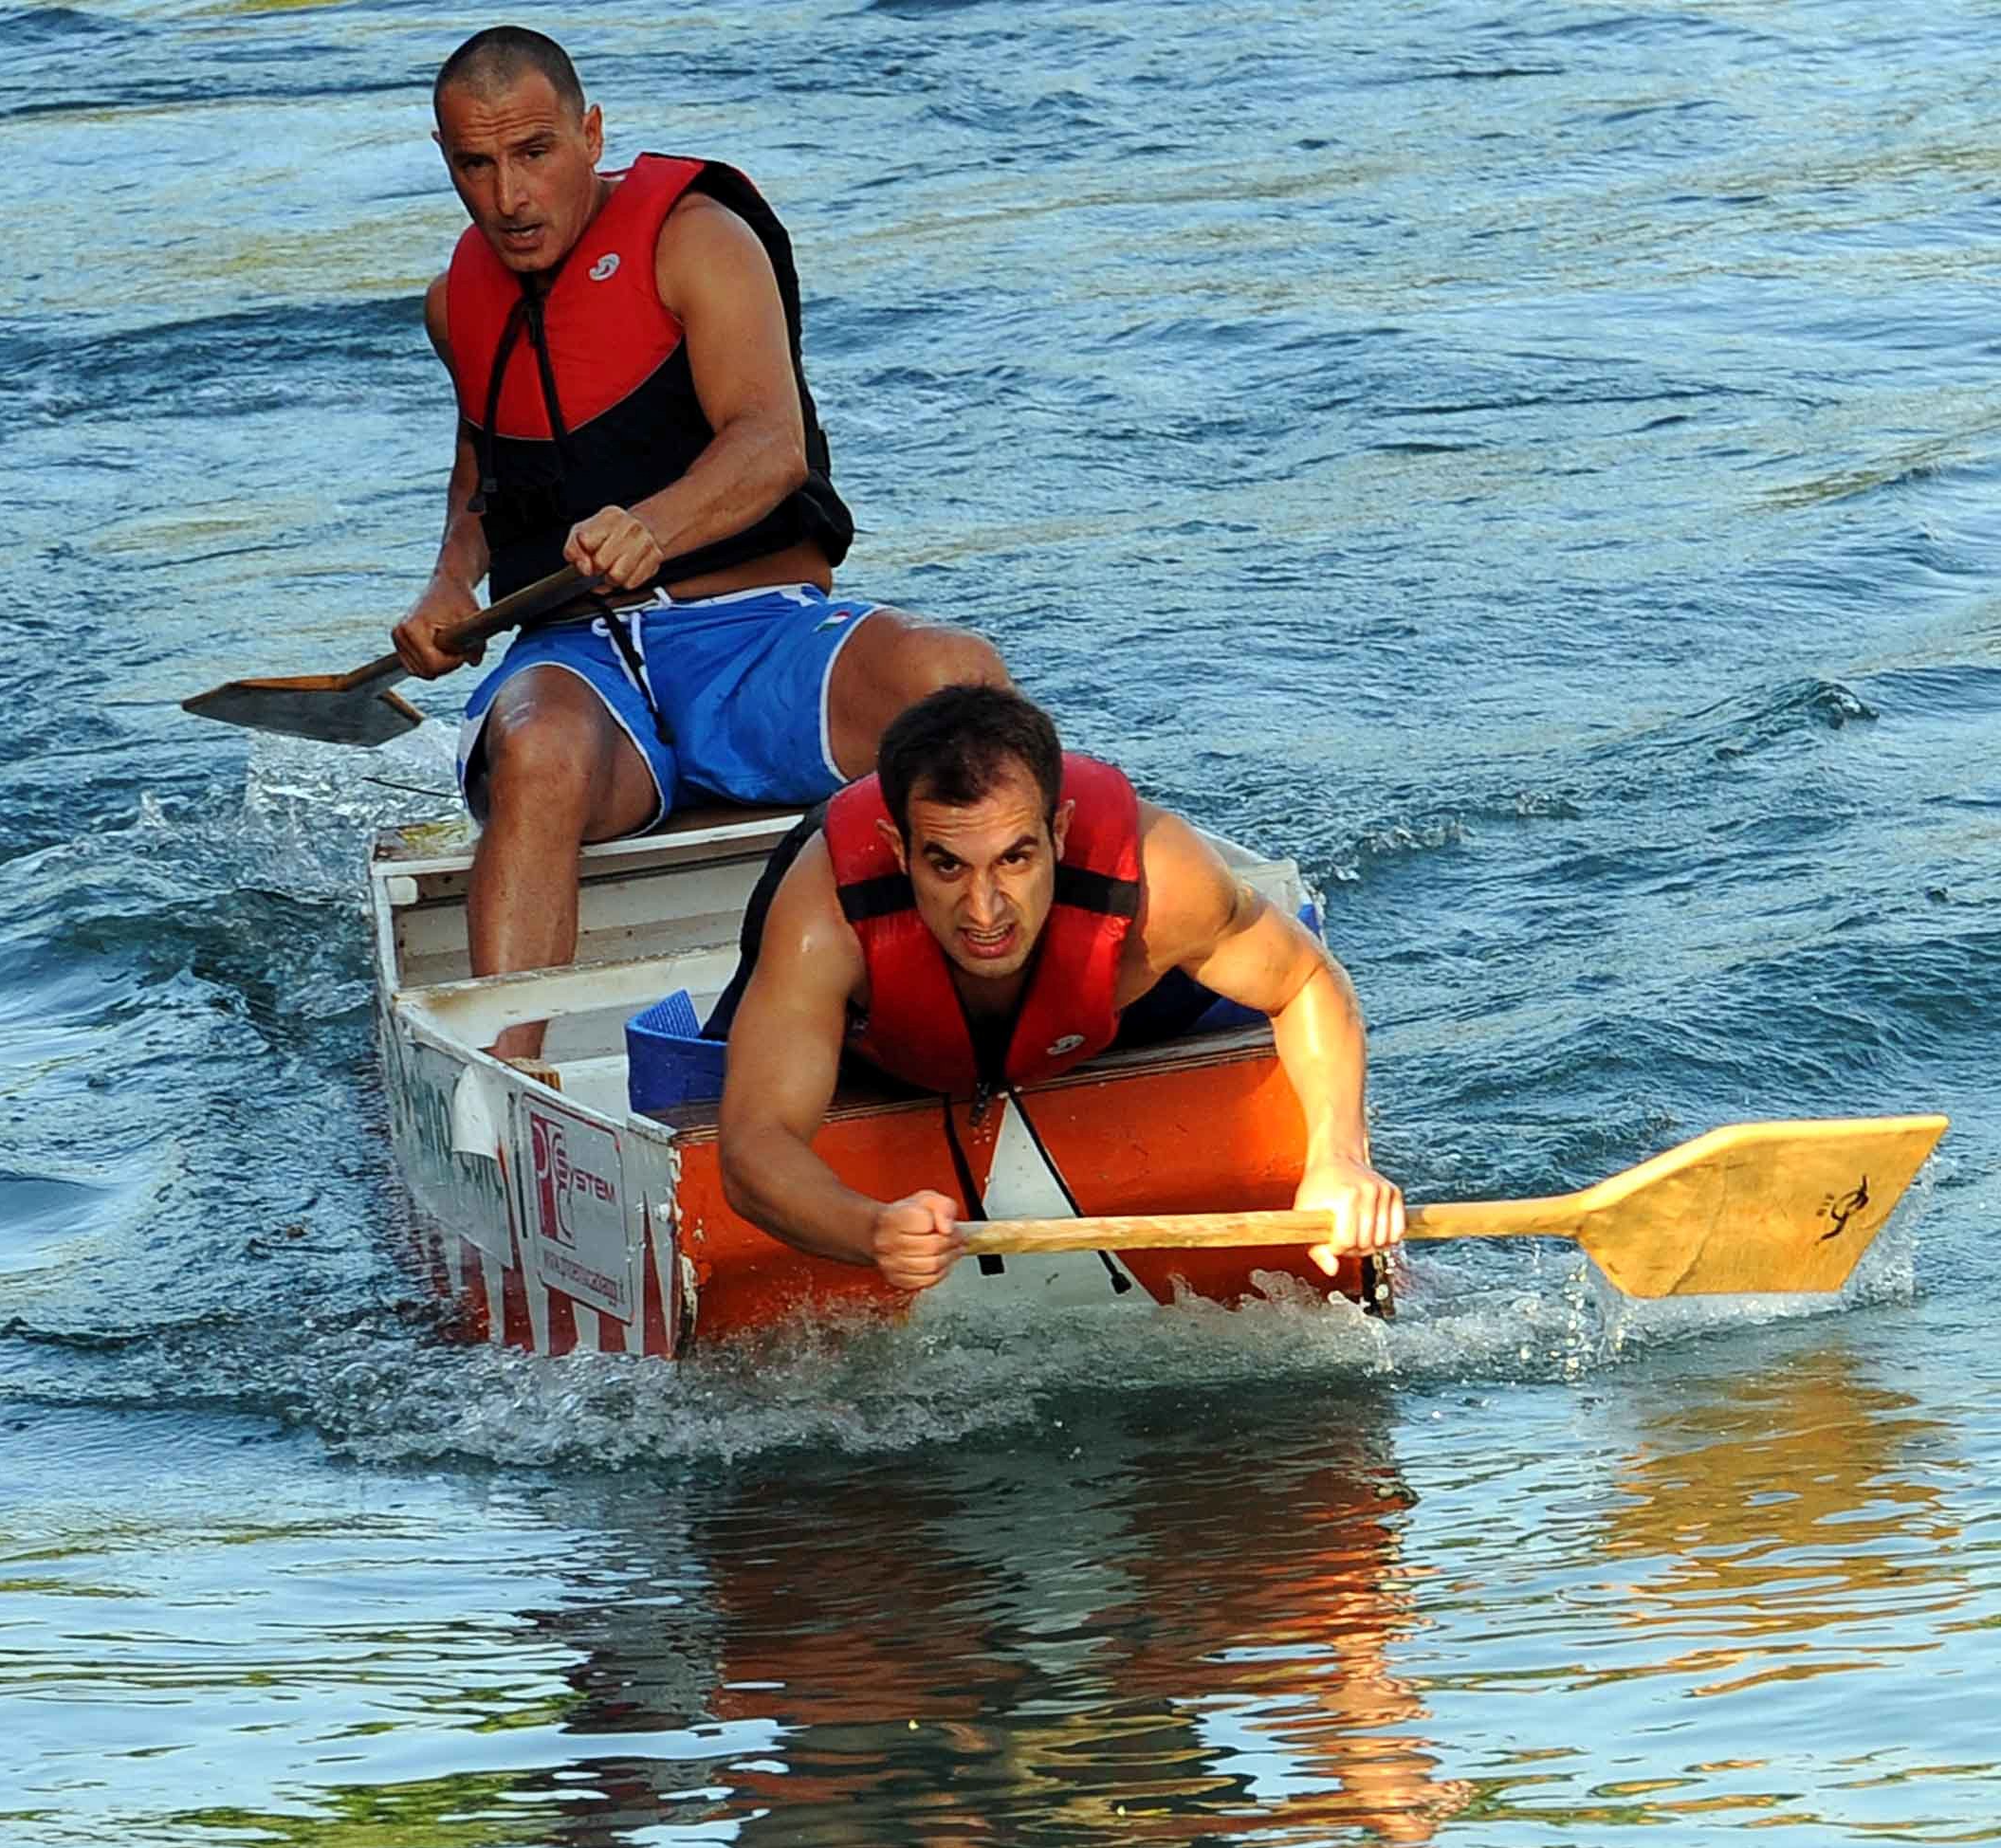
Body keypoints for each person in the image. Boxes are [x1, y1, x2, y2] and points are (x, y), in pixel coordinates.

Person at [395, 27, 1006, 1055]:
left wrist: (653, 525)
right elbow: (477, 491)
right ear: (445, 159)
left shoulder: (698, 239)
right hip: (584, 671)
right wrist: (448, 585)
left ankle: (1029, 999)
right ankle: (505, 1084)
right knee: (534, 749)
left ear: (591, 134)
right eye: (476, 165)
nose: (508, 197)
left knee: (957, 680)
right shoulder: (458, 305)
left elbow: (769, 446)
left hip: (755, 637)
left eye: (534, 152)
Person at [710, 682, 1404, 1290]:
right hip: (879, 1036)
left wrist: (1339, 1158)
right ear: (899, 852)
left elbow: (1307, 980)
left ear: (1060, 833)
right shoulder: (825, 918)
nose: (985, 911)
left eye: (1015, 859)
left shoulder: (1164, 886)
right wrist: (867, 1230)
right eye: (947, 866)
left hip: (1104, 995)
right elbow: (755, 1144)